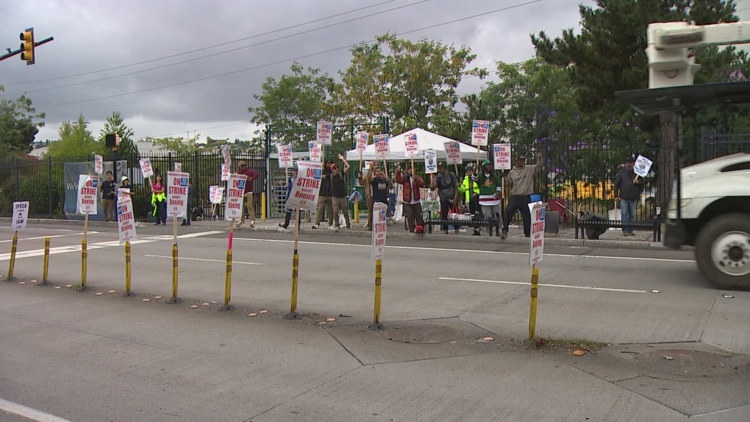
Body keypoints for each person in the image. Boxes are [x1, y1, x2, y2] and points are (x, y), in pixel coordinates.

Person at [502, 151, 543, 239]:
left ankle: (528, 233)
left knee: (527, 216)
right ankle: (504, 230)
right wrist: (504, 178)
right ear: (516, 161)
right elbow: (509, 183)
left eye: (523, 160)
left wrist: (539, 159)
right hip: (515, 196)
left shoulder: (529, 169)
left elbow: (538, 167)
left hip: (526, 196)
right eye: (520, 160)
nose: (522, 162)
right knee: (508, 212)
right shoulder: (512, 172)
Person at [614, 156, 642, 236]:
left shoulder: (637, 173)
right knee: (624, 214)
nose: (629, 165)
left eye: (631, 163)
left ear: (633, 164)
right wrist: (616, 195)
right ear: (626, 164)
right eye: (628, 163)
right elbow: (616, 185)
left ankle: (630, 230)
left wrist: (638, 182)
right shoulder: (621, 173)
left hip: (633, 197)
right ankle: (625, 231)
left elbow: (643, 183)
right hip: (624, 197)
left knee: (632, 215)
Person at [395, 163, 425, 233]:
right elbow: (398, 180)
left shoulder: (416, 177)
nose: (411, 171)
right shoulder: (405, 178)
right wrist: (398, 172)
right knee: (410, 217)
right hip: (408, 202)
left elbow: (422, 184)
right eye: (409, 169)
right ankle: (412, 230)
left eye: (412, 169)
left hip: (416, 201)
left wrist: (416, 179)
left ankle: (420, 229)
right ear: (407, 171)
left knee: (419, 216)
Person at [430, 162, 459, 234]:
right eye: (439, 168)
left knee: (454, 214)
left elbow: (456, 187)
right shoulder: (437, 177)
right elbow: (432, 188)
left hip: (452, 196)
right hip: (443, 197)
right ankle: (445, 229)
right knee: (444, 214)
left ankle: (456, 228)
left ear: (444, 168)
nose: (440, 170)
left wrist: (456, 197)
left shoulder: (451, 175)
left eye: (441, 168)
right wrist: (433, 185)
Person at [477, 160, 503, 236]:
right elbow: (474, 178)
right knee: (487, 217)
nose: (489, 167)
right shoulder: (480, 176)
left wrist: (498, 192)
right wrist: (475, 171)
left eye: (490, 165)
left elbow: (498, 185)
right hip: (484, 200)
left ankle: (499, 230)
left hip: (495, 200)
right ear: (483, 167)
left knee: (497, 216)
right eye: (487, 165)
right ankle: (489, 232)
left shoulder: (494, 176)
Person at [329, 154, 351, 231]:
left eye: (337, 168)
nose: (336, 169)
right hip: (334, 196)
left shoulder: (341, 174)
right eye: (334, 168)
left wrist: (343, 159)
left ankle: (348, 224)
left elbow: (348, 166)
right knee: (335, 211)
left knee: (345, 211)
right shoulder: (331, 176)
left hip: (342, 196)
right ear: (332, 170)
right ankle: (337, 224)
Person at [312, 160, 334, 229]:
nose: (329, 165)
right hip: (322, 193)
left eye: (330, 163)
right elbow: (316, 176)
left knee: (331, 210)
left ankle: (330, 224)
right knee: (320, 209)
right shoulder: (321, 170)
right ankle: (316, 223)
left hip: (330, 194)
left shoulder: (332, 172)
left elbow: (329, 176)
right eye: (328, 163)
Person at [236, 161, 260, 227]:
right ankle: (241, 219)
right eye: (242, 166)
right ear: (239, 167)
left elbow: (257, 174)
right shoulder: (238, 173)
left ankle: (252, 220)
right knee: (241, 206)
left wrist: (251, 178)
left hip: (249, 191)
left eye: (244, 165)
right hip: (241, 191)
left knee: (249, 205)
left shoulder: (249, 171)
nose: (243, 167)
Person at [369, 165, 392, 231]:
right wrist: (371, 171)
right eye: (377, 171)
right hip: (377, 201)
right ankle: (374, 228)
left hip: (384, 201)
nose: (379, 173)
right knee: (376, 217)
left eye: (380, 171)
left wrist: (388, 180)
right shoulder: (374, 180)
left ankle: (382, 229)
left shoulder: (384, 180)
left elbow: (390, 187)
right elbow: (370, 180)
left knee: (382, 217)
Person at [278, 166, 300, 233]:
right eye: (294, 171)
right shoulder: (290, 179)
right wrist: (285, 186)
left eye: (296, 171)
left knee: (297, 212)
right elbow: (287, 189)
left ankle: (298, 225)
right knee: (288, 211)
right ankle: (286, 224)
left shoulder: (300, 179)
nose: (295, 172)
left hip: (297, 197)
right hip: (290, 197)